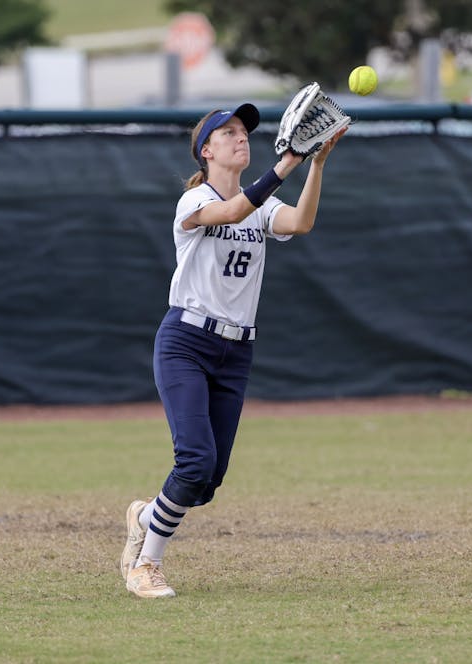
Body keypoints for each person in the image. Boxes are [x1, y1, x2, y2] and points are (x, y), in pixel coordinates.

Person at [120, 102, 347, 598]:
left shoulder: (262, 206)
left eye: (244, 130)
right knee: (194, 460)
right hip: (185, 342)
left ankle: (145, 515)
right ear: (207, 151)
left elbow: (300, 223)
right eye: (229, 131)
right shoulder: (193, 202)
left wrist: (317, 164)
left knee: (208, 481)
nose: (241, 136)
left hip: (235, 352)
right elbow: (235, 209)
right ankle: (145, 565)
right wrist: (286, 162)